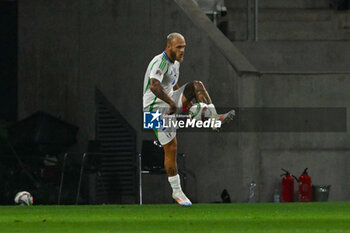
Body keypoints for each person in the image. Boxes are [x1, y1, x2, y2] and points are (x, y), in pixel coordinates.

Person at [142, 32, 234, 206]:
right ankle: (176, 191)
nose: (182, 50)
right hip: (153, 110)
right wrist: (172, 102)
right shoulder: (159, 62)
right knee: (171, 147)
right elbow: (154, 86)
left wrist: (184, 101)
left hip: (168, 103)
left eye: (184, 47)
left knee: (196, 86)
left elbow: (173, 85)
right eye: (179, 47)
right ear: (168, 46)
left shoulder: (175, 62)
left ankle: (213, 117)